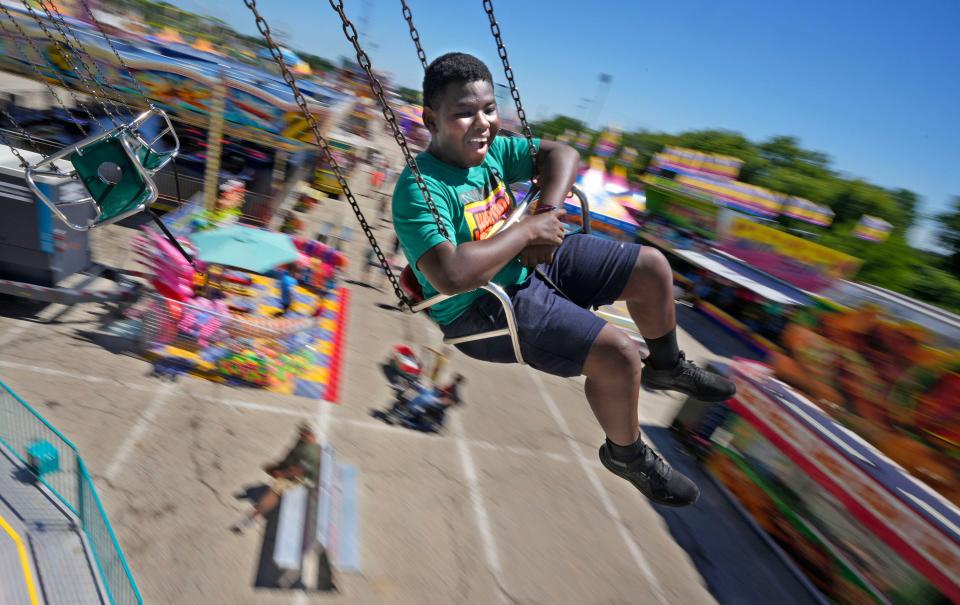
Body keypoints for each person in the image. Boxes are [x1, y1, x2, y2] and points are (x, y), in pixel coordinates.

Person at [392, 53, 736, 507]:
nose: (482, 123)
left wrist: (547, 211)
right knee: (618, 355)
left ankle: (668, 364)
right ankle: (627, 454)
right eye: (463, 113)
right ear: (430, 118)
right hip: (482, 307)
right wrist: (526, 233)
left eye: (489, 108)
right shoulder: (420, 188)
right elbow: (452, 275)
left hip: (527, 262)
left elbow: (562, 153)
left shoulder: (493, 150)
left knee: (652, 266)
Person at [231, 422, 322, 533]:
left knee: (274, 491)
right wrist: (277, 467)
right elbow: (290, 455)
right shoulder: (302, 442)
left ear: (310, 435)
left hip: (305, 480)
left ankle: (248, 521)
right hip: (294, 472)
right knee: (269, 470)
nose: (300, 435)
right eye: (301, 432)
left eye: (304, 433)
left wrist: (281, 474)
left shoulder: (311, 452)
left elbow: (299, 471)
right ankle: (276, 493)